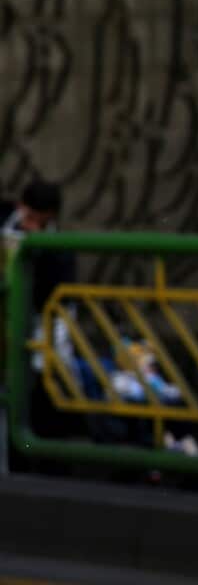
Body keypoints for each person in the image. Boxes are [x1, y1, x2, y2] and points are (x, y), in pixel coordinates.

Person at [1, 180, 80, 458]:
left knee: (41, 382)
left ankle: (38, 451)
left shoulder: (57, 247)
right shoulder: (5, 218)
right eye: (29, 216)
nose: (31, 224)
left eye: (39, 220)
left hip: (37, 320)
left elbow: (56, 299)